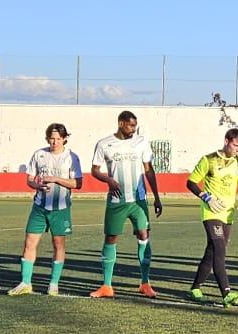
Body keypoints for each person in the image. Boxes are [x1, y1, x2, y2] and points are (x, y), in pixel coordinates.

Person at [90, 110, 162, 298]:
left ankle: (145, 283)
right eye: (130, 125)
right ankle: (106, 286)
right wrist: (108, 180)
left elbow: (149, 170)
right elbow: (95, 170)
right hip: (116, 200)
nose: (133, 129)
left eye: (135, 126)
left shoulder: (141, 142)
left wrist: (156, 196)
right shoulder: (104, 144)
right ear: (121, 123)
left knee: (143, 235)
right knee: (111, 238)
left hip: (138, 200)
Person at [12, 123, 84, 296]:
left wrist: (56, 179)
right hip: (39, 207)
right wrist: (36, 185)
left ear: (64, 139)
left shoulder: (71, 157)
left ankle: (53, 283)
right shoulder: (39, 154)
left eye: (58, 138)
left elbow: (78, 183)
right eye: (52, 138)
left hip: (61, 209)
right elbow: (29, 179)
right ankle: (25, 282)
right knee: (29, 241)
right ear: (47, 139)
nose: (55, 142)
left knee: (58, 244)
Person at [188, 128, 238, 307]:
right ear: (226, 141)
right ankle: (227, 293)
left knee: (211, 252)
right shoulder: (208, 160)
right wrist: (206, 197)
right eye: (234, 145)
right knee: (220, 248)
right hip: (211, 213)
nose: (237, 150)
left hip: (228, 214)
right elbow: (191, 182)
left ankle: (195, 288)